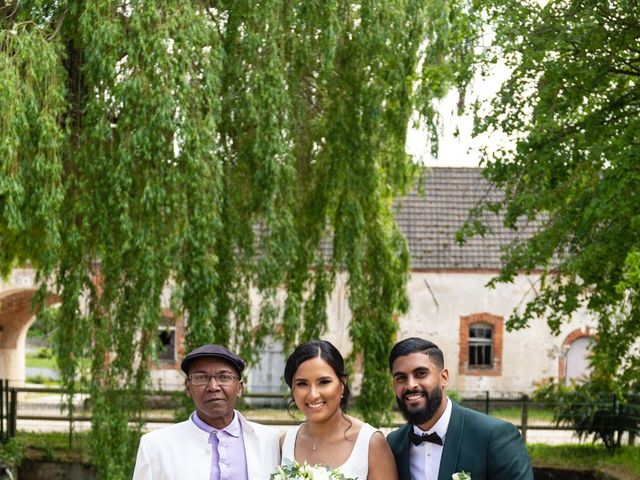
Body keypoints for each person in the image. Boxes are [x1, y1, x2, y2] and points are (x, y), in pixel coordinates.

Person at [386, 337, 534, 480]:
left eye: (421, 374)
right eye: (401, 378)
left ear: (444, 378)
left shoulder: (494, 437)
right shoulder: (393, 444)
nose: (411, 385)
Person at [133, 344, 280, 480]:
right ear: (188, 388)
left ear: (239, 388)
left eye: (224, 377)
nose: (213, 387)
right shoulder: (155, 446)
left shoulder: (271, 441)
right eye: (201, 377)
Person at [280, 339, 398, 480]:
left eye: (324, 382)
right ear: (292, 389)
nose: (313, 395)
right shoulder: (285, 442)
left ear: (342, 383)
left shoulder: (370, 443)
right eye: (302, 384)